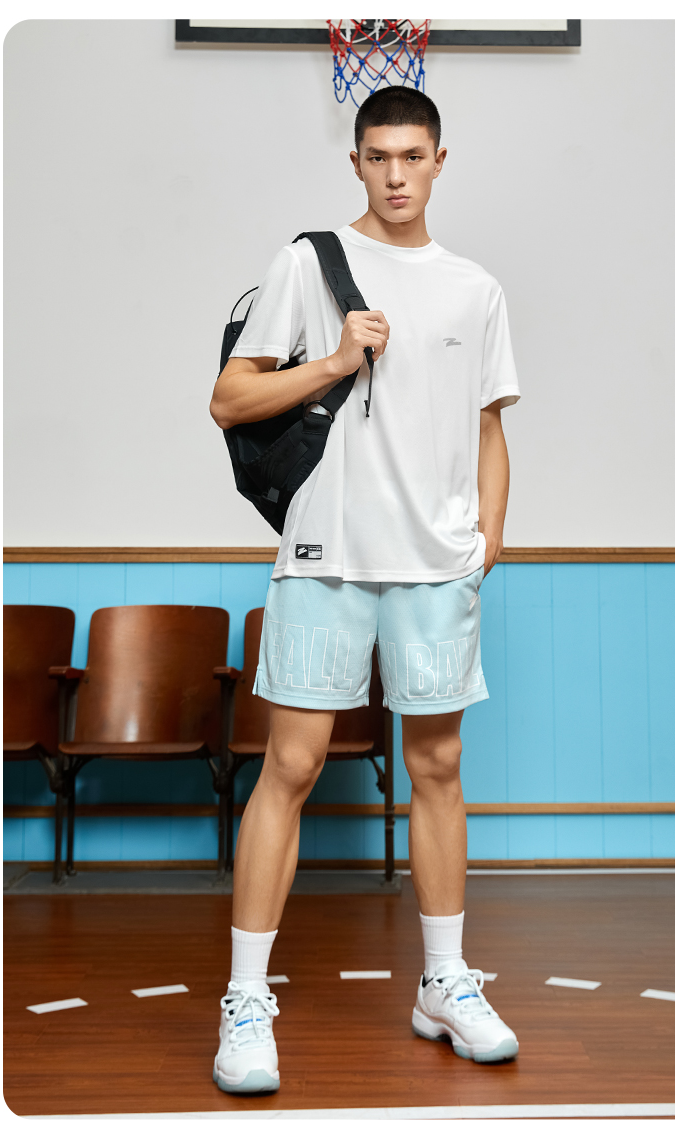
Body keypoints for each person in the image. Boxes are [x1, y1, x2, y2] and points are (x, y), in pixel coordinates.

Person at [208, 85, 521, 1094]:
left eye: (412, 156)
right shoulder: (308, 263)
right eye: (378, 156)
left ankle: (444, 984)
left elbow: (488, 426)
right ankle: (245, 1001)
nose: (395, 174)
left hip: (435, 566)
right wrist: (339, 359)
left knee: (438, 767)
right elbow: (229, 398)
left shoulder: (474, 288)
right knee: (290, 766)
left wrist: (488, 536)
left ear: (439, 161)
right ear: (356, 162)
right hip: (326, 556)